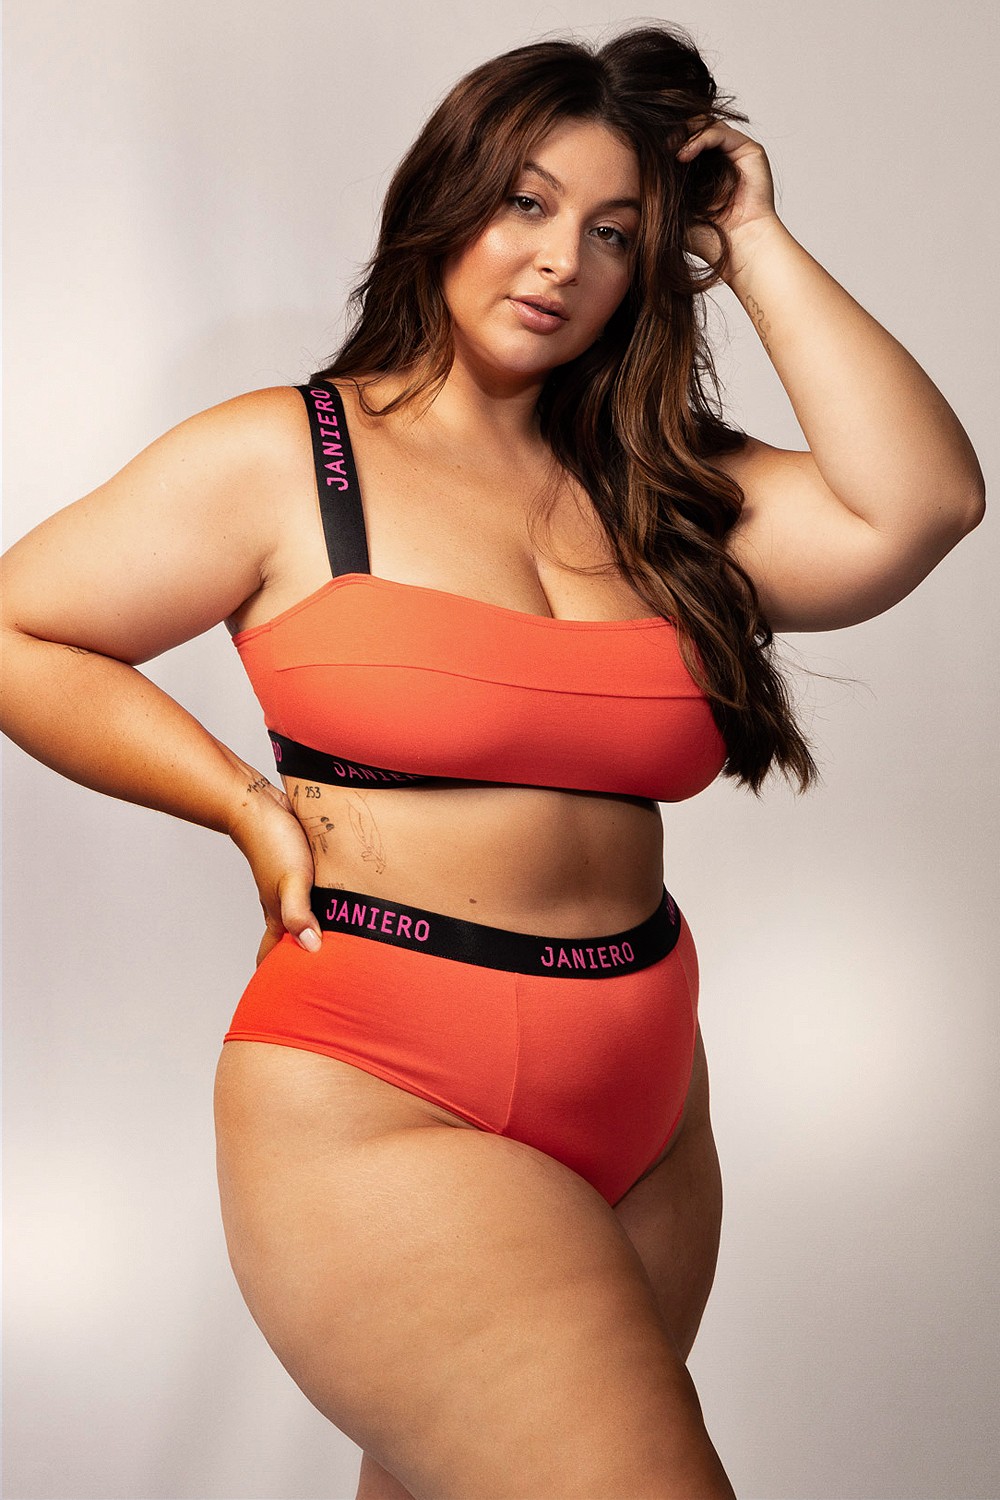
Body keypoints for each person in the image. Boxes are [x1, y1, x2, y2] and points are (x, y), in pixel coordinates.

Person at [0, 21, 985, 1500]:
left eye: (615, 232)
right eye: (527, 203)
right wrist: (242, 806)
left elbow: (924, 504)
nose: (560, 261)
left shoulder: (666, 489)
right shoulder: (288, 458)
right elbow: (19, 628)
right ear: (445, 199)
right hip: (384, 1095)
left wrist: (754, 239)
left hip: (650, 1103)